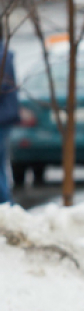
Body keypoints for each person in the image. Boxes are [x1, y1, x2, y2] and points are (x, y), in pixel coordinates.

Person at [0, 26, 19, 204]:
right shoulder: (5, 53)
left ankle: (5, 206)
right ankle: (6, 206)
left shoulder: (1, 55)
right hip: (5, 115)